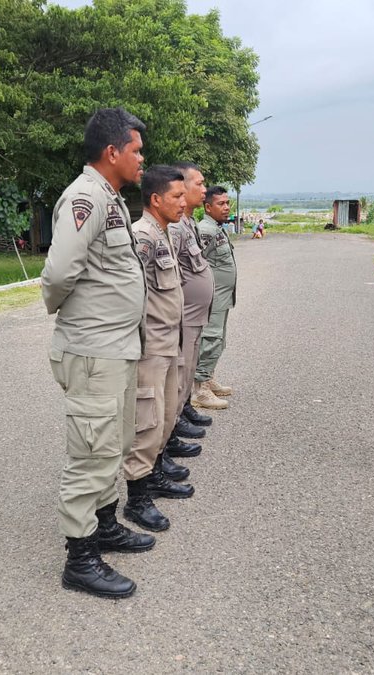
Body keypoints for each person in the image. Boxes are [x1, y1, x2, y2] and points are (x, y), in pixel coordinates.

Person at [40, 107, 150, 599]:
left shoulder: (110, 198)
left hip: (116, 348)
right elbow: (60, 272)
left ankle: (105, 524)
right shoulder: (85, 195)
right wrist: (65, 312)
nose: (142, 160)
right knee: (90, 451)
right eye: (136, 151)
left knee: (112, 441)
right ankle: (80, 558)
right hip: (93, 349)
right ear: (112, 152)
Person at [123, 165, 195, 533]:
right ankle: (136, 499)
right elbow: (128, 297)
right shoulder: (143, 237)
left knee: (165, 418)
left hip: (169, 344)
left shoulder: (164, 233)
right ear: (155, 199)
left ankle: (153, 476)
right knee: (146, 424)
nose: (184, 203)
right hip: (149, 348)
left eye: (185, 195)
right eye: (176, 197)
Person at [164, 162, 215, 464]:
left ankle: (183, 411)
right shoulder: (174, 227)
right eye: (199, 183)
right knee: (179, 374)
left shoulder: (189, 223)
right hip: (183, 316)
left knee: (188, 368)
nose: (204, 189)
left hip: (195, 317)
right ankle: (172, 427)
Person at [193, 186, 237, 410]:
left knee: (219, 338)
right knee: (210, 338)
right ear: (208, 207)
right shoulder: (206, 230)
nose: (227, 207)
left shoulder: (218, 228)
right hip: (212, 297)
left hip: (222, 296)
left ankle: (208, 377)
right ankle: (200, 389)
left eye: (227, 202)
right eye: (221, 203)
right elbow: (196, 264)